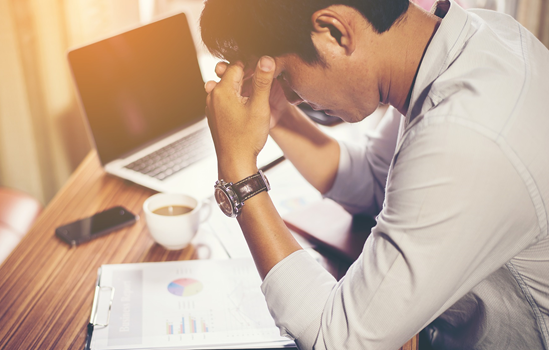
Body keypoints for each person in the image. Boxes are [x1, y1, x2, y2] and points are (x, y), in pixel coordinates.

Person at [200, 0, 549, 348]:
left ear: (335, 31)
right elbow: (373, 180)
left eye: (287, 76)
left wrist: (237, 169)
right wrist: (278, 114)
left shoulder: (466, 134)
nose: (293, 97)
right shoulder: (474, 40)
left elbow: (337, 339)